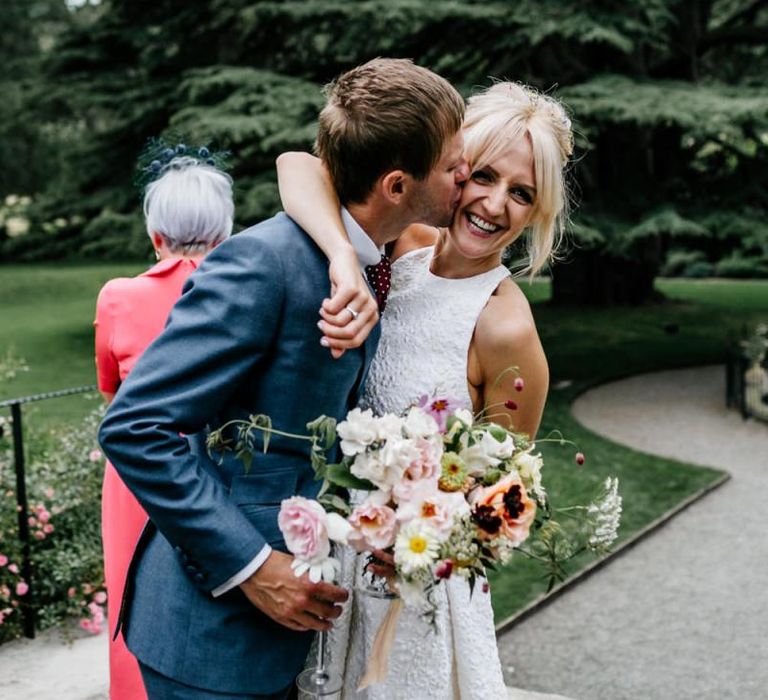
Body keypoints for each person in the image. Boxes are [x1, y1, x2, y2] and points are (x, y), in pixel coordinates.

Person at [98, 57, 468, 699]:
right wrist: (251, 565)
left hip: (293, 638)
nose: (466, 177)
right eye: (453, 165)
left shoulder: (370, 259)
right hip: (210, 638)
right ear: (398, 186)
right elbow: (134, 426)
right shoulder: (263, 264)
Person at [276, 80, 573, 698]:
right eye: (484, 176)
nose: (495, 205)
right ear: (455, 167)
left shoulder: (505, 327)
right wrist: (338, 256)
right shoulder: (400, 248)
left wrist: (436, 546)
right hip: (335, 561)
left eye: (522, 194)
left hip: (416, 595)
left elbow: (510, 492)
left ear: (537, 212)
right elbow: (298, 166)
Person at [94, 152, 234, 699]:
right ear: (225, 234)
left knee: (132, 593)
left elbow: (112, 392)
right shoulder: (237, 293)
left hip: (136, 474)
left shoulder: (117, 297)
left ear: (156, 236)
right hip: (217, 467)